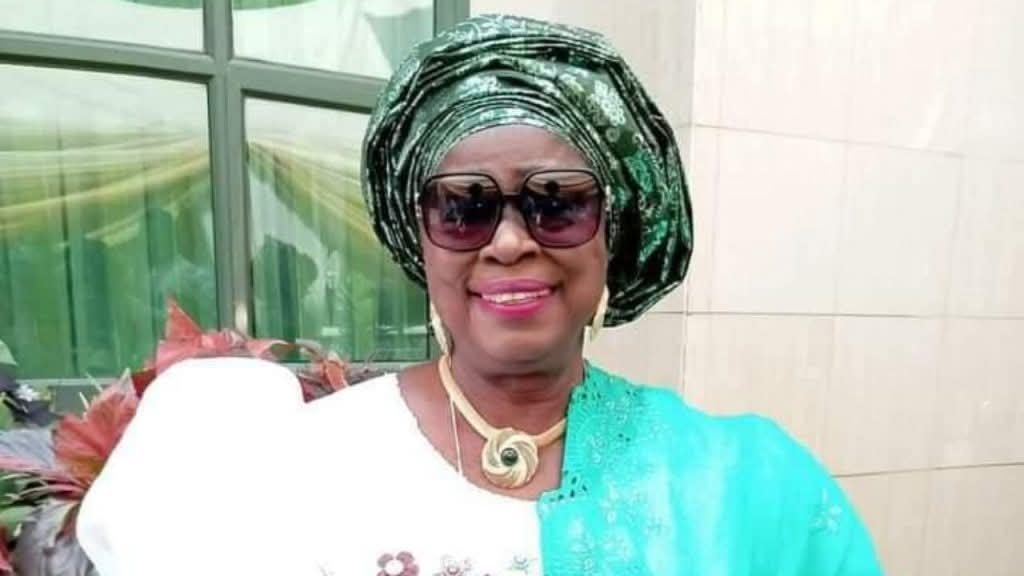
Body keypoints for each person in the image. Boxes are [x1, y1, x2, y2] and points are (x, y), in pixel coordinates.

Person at [77, 14, 882, 576]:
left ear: (613, 232)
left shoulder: (745, 483)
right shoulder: (296, 470)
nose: (509, 241)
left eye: (557, 203)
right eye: (464, 207)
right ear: (421, 241)